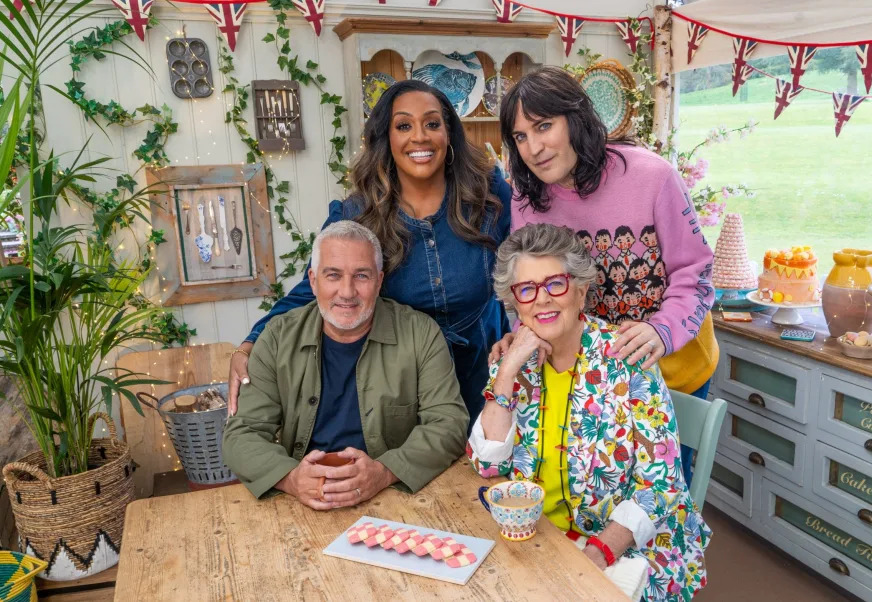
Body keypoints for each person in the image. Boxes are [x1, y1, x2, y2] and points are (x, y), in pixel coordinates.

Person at [228, 80, 512, 426]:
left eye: (433, 124)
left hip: (486, 369)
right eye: (404, 125)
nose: (420, 136)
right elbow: (313, 288)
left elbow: (528, 263)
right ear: (386, 139)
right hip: (404, 382)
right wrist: (248, 344)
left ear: (449, 134)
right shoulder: (357, 214)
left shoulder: (490, 196)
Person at [491, 67, 718, 483]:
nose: (534, 148)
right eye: (520, 137)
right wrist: (525, 334)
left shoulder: (653, 177)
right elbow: (521, 284)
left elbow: (696, 272)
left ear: (575, 119)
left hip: (673, 368)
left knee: (662, 492)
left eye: (544, 126)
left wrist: (663, 330)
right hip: (593, 380)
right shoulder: (528, 201)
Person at [468, 224, 709, 601]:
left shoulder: (628, 358)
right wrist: (507, 372)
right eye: (527, 289)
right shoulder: (515, 361)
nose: (542, 300)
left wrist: (594, 557)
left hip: (623, 549)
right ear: (515, 303)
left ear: (581, 291)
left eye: (556, 284)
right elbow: (487, 466)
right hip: (536, 537)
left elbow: (659, 486)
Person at [223, 221, 469, 508]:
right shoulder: (277, 337)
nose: (347, 291)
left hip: (393, 498)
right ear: (313, 281)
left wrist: (385, 472)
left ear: (379, 281)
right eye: (333, 275)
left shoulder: (420, 333)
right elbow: (242, 434)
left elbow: (449, 424)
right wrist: (291, 479)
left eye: (361, 276)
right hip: (303, 501)